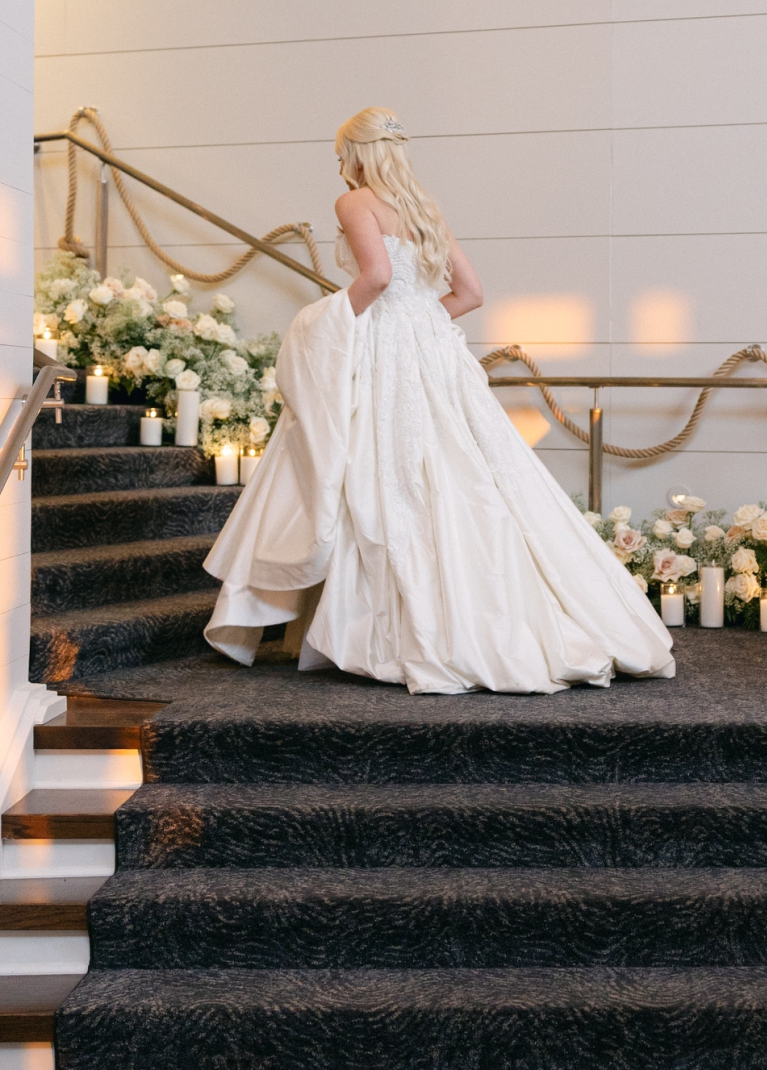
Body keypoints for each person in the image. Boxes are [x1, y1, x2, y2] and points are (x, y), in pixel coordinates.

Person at [204, 107, 675, 693]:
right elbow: (471, 293)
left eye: (339, 152)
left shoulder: (353, 203)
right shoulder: (424, 208)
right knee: (467, 477)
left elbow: (374, 278)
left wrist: (330, 326)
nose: (337, 164)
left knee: (383, 477)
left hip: (388, 355)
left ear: (358, 152)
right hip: (435, 355)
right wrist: (420, 321)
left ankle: (401, 632)